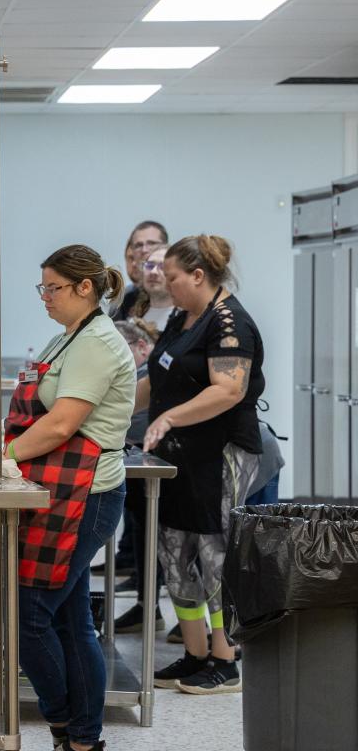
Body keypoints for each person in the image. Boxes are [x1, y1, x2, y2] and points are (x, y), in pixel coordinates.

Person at [6, 245, 133, 751]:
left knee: (30, 615)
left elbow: (61, 424)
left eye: (52, 288)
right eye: (43, 288)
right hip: (61, 490)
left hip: (88, 494)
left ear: (85, 288)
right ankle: (82, 739)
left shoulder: (98, 342)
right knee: (70, 619)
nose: (45, 298)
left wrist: (4, 456)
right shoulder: (69, 338)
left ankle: (65, 724)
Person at [139, 234, 264, 695]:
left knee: (215, 555)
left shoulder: (230, 321)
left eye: (171, 278)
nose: (163, 284)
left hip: (221, 452)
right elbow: (159, 376)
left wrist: (170, 417)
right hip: (177, 455)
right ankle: (194, 653)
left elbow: (227, 389)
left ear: (197, 276)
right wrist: (107, 413)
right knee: (175, 552)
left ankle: (225, 659)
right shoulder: (182, 315)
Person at [110, 319, 167, 635]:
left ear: (141, 348)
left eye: (119, 350)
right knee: (143, 532)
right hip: (142, 463)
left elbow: (128, 418)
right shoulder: (136, 373)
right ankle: (148, 608)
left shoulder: (149, 376)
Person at [113, 220, 168, 320]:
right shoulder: (126, 298)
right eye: (138, 245)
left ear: (165, 245)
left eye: (151, 243)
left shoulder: (179, 293)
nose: (144, 250)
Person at [130, 245, 174, 340]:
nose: (153, 272)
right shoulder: (136, 314)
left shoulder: (186, 318)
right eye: (149, 265)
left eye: (163, 267)